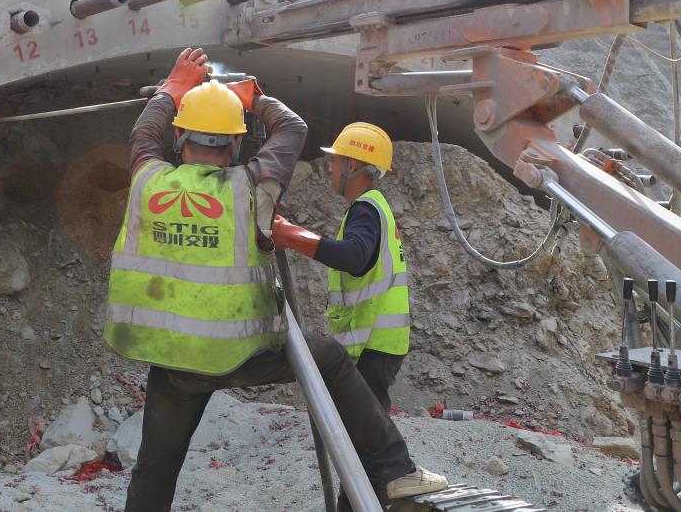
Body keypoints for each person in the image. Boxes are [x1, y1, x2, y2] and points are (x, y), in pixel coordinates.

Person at [104, 49, 444, 511]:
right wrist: (253, 97)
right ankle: (395, 470)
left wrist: (174, 86)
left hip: (170, 359)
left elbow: (144, 133)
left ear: (178, 136)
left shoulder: (147, 176)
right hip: (235, 353)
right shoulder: (250, 188)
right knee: (328, 357)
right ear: (236, 147)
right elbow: (294, 129)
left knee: (155, 468)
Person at [270, 122, 411, 417]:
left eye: (334, 160)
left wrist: (294, 236)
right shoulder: (372, 207)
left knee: (367, 436)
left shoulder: (366, 208)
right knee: (369, 433)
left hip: (372, 344)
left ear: (354, 163)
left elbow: (353, 257)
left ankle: (386, 466)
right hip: (379, 344)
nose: (329, 168)